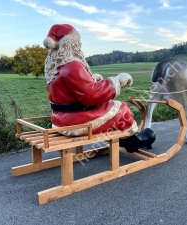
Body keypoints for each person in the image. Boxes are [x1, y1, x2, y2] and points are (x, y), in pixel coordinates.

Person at [43, 24, 156, 152]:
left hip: (59, 119)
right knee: (121, 108)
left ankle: (121, 137)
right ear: (71, 43)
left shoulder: (54, 67)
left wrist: (92, 78)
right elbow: (91, 95)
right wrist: (117, 81)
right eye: (77, 41)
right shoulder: (72, 66)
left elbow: (68, 89)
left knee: (109, 107)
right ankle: (131, 140)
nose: (79, 45)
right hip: (74, 122)